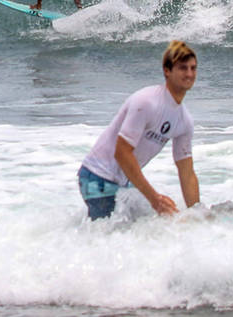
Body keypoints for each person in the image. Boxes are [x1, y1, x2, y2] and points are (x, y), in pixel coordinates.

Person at [77, 40, 200, 220]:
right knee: (108, 239)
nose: (189, 74)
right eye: (183, 68)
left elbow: (187, 172)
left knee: (152, 227)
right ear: (167, 70)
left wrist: (198, 215)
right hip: (98, 176)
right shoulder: (146, 101)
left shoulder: (184, 121)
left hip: (124, 183)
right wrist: (154, 199)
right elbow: (122, 153)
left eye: (193, 68)